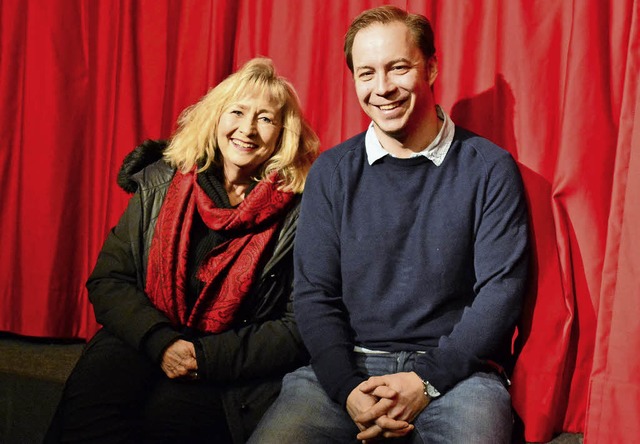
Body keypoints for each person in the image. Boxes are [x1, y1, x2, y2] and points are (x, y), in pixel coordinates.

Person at [249, 6, 529, 444]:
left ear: (431, 67)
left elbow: (501, 291)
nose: (382, 89)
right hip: (348, 371)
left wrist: (426, 381)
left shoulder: (489, 168)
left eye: (398, 68)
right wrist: (346, 389)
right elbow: (313, 294)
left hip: (458, 376)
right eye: (367, 73)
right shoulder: (332, 172)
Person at [45, 57, 319, 444]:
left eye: (265, 119)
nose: (247, 129)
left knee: (166, 424)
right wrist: (161, 342)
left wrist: (204, 358)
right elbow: (110, 279)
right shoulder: (162, 181)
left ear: (282, 134)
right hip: (142, 335)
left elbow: (296, 325)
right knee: (86, 417)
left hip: (226, 363)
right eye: (237, 112)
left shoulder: (300, 212)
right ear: (215, 118)